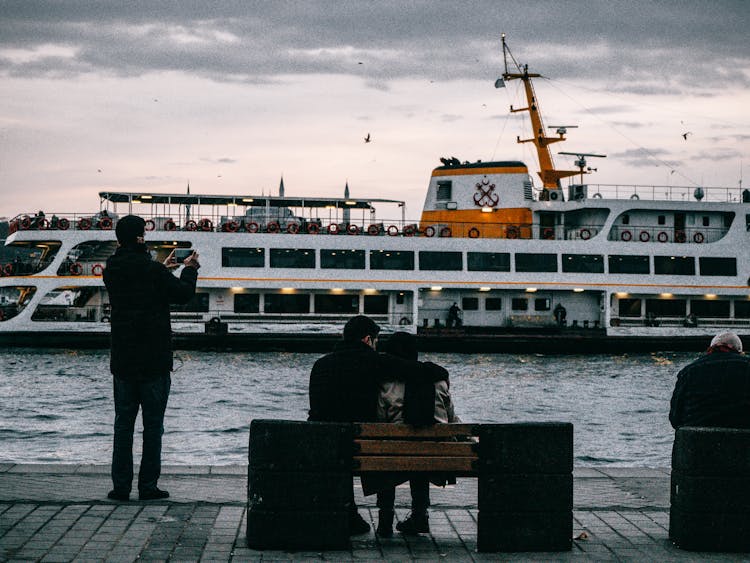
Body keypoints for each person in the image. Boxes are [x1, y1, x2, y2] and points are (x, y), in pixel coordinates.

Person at [308, 315, 448, 535]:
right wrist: (441, 374)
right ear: (367, 340)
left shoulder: (321, 364)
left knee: (347, 446)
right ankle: (399, 517)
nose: (376, 346)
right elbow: (415, 370)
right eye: (375, 341)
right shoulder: (372, 361)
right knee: (384, 449)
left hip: (322, 442)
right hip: (359, 445)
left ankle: (349, 512)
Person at [103, 215, 200, 501]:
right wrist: (189, 269)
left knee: (123, 425)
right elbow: (183, 294)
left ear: (119, 239)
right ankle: (147, 487)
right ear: (140, 238)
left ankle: (120, 488)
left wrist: (162, 268)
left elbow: (141, 279)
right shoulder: (153, 272)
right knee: (152, 427)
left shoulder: (111, 269)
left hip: (122, 359)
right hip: (154, 360)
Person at [374, 331, 459, 537]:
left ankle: (385, 519)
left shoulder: (386, 384)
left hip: (394, 454)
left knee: (387, 453)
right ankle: (419, 515)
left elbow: (379, 421)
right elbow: (452, 417)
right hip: (435, 454)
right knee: (420, 453)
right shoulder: (438, 380)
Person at [669, 331, 750, 429]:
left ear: (711, 349)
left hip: (694, 440)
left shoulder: (688, 371)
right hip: (742, 439)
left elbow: (675, 418)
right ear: (739, 352)